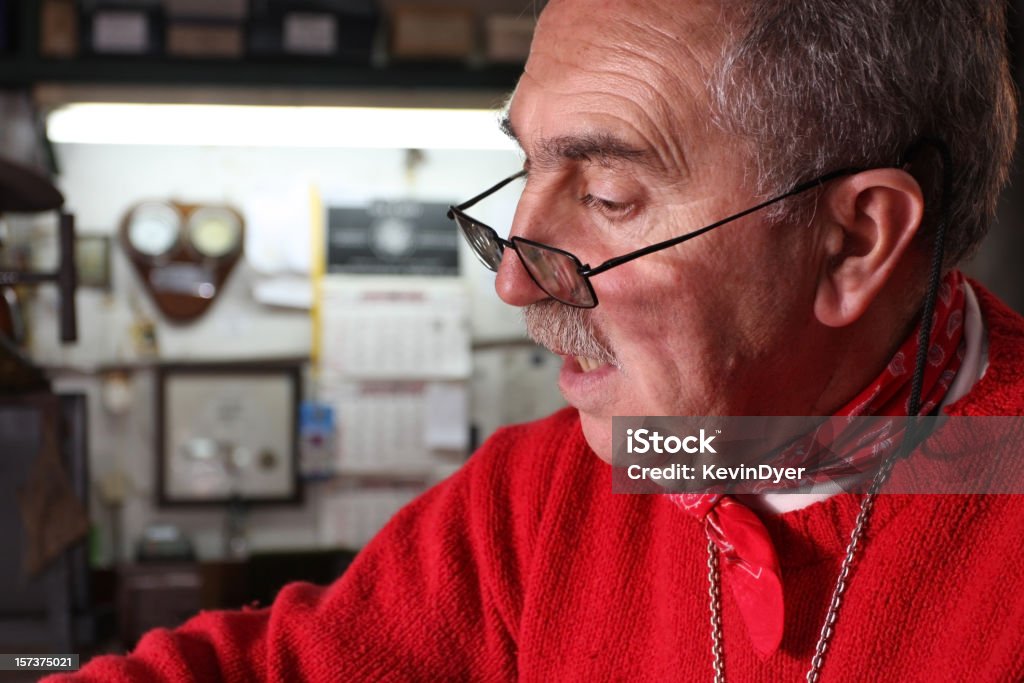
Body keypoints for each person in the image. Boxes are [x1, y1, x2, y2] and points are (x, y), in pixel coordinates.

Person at [54, 0, 1024, 680]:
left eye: (606, 195)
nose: (513, 277)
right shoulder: (542, 496)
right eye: (527, 167)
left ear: (851, 242)